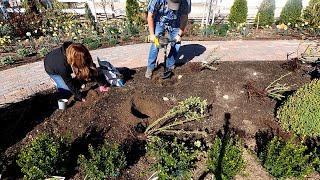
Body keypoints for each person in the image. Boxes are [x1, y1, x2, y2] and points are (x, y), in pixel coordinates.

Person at [44, 42, 108, 102]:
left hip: (67, 63)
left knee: (86, 72)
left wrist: (101, 85)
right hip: (53, 69)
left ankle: (75, 80)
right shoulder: (62, 66)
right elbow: (68, 82)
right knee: (67, 91)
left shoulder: (77, 50)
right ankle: (56, 81)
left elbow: (91, 66)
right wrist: (80, 97)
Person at [145, 0, 191, 79]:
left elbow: (184, 17)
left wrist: (179, 34)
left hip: (176, 22)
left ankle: (169, 65)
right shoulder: (157, 1)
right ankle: (150, 68)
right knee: (156, 44)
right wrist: (152, 35)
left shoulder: (185, 1)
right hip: (160, 21)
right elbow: (150, 16)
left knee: (177, 44)